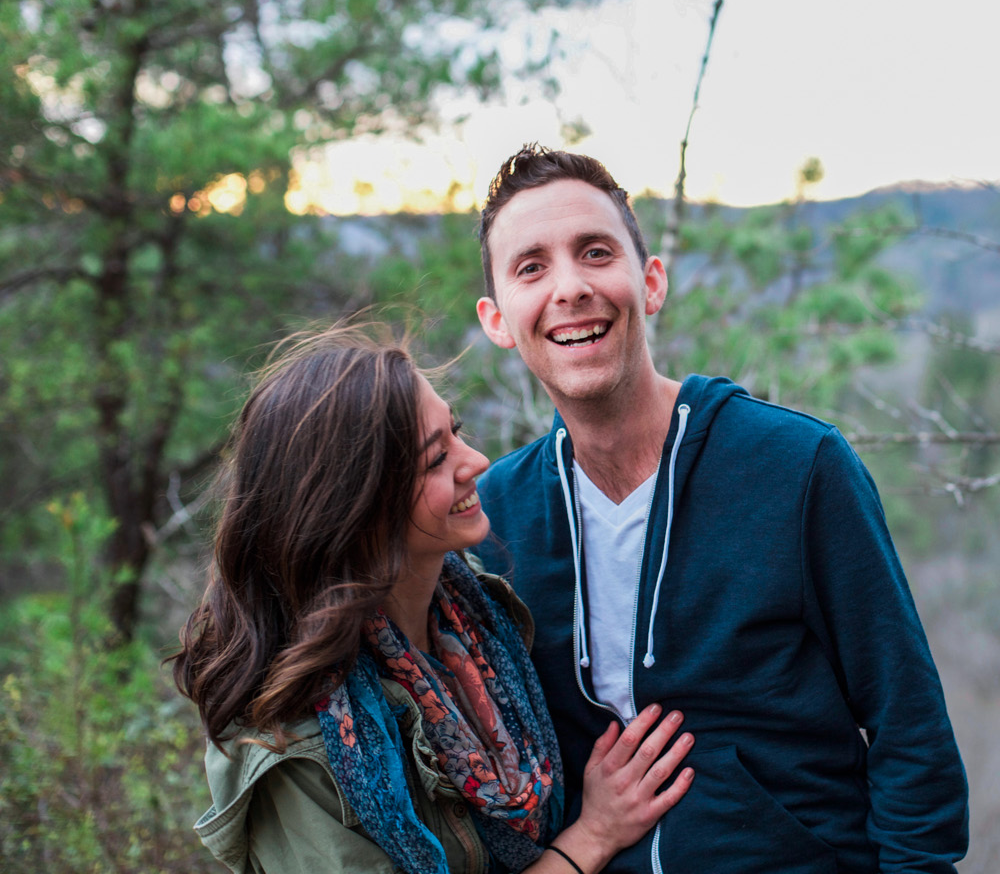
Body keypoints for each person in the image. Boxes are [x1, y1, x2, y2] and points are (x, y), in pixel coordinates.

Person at [472, 145, 969, 873]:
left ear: (651, 282)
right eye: (531, 267)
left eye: (595, 252)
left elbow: (909, 729)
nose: (571, 287)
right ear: (498, 320)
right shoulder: (496, 520)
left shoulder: (797, 468)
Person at [172, 326, 695, 874]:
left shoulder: (480, 617)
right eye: (434, 460)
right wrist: (592, 837)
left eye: (457, 433)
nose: (477, 462)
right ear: (353, 507)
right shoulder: (294, 750)